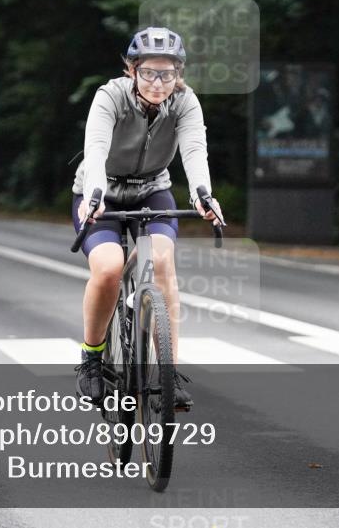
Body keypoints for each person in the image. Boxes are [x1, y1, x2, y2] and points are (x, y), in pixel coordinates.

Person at [71, 26, 222, 409]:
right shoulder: (110, 96)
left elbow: (194, 150)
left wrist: (203, 194)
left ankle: (168, 373)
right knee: (108, 269)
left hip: (153, 189)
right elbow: (96, 148)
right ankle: (91, 359)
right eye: (150, 72)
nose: (158, 82)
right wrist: (95, 194)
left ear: (179, 74)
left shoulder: (186, 102)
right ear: (132, 70)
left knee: (162, 262)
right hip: (99, 193)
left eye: (168, 73)